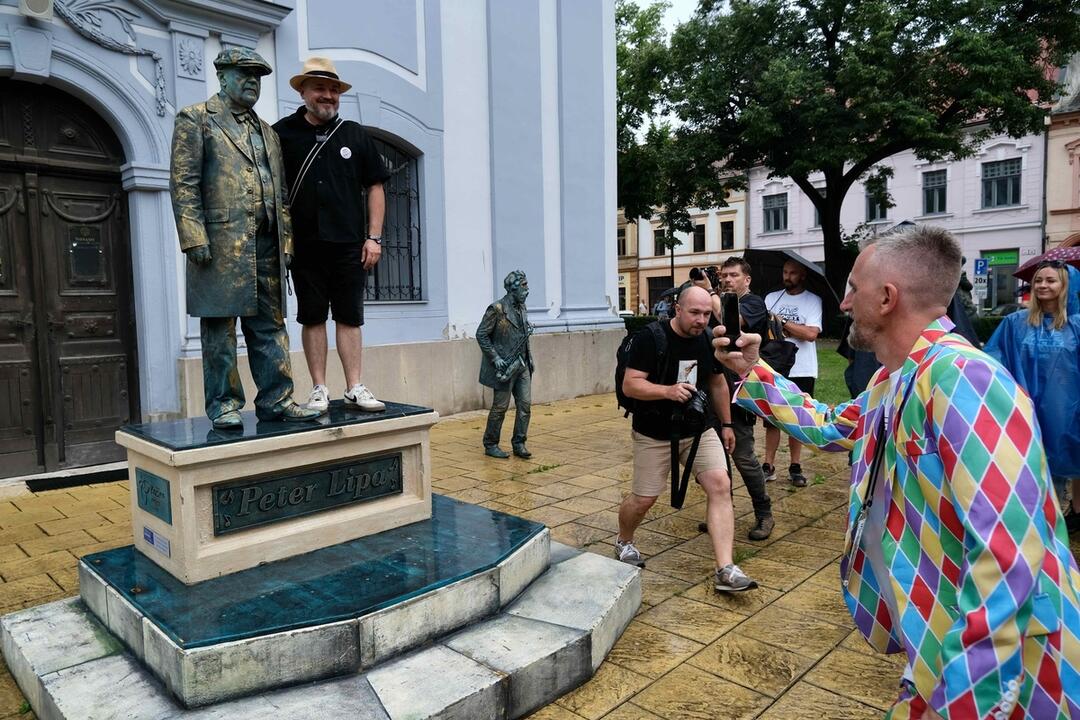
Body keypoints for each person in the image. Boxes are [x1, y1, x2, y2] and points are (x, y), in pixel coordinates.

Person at [714, 226, 1080, 718]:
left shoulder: (965, 377)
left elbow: (1011, 556)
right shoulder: (896, 379)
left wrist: (958, 701)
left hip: (1010, 678)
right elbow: (827, 426)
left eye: (852, 290)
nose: (843, 304)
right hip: (938, 638)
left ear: (886, 298)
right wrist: (751, 369)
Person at [170, 48, 323, 429]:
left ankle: (278, 399)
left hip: (268, 245)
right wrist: (193, 237)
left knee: (271, 326)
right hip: (219, 244)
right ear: (222, 76)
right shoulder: (197, 119)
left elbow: (282, 193)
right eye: (244, 74)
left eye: (257, 76)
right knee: (219, 330)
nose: (252, 81)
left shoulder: (268, 133)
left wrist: (287, 242)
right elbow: (183, 183)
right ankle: (223, 403)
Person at [616, 284, 757, 593]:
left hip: (698, 427)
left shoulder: (708, 339)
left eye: (707, 313)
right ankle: (624, 540)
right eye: (694, 312)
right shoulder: (649, 338)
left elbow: (718, 383)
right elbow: (630, 385)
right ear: (677, 309)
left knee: (720, 484)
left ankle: (726, 568)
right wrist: (666, 391)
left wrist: (727, 425)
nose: (701, 320)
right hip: (654, 431)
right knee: (644, 499)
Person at [273, 57, 391, 413]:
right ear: (303, 91)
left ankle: (354, 386)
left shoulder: (355, 134)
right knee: (311, 316)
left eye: (333, 90)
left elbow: (375, 186)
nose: (328, 96)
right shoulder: (281, 135)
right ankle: (319, 389)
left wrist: (374, 237)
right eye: (320, 88)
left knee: (350, 315)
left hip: (349, 245)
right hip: (305, 246)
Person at [985, 261, 1080, 534]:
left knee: (1056, 470)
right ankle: (1025, 525)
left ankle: (1048, 529)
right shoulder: (1015, 323)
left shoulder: (1076, 327)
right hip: (1023, 409)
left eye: (1050, 280)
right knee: (1022, 467)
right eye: (1038, 280)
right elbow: (994, 359)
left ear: (1066, 286)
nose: (1042, 285)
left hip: (1064, 414)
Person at [715, 257, 774, 540]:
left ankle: (764, 513)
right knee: (715, 460)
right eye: (723, 275)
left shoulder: (752, 303)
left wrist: (713, 296)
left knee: (744, 458)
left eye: (733, 275)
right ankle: (721, 511)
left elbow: (732, 321)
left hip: (740, 392)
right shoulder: (718, 302)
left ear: (746, 279)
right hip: (714, 392)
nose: (727, 280)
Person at [762, 260, 822, 486]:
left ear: (803, 275)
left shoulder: (813, 301)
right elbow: (767, 331)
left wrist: (782, 322)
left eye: (793, 273)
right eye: (785, 272)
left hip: (803, 367)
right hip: (776, 366)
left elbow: (810, 334)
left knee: (796, 417)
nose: (787, 276)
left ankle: (795, 465)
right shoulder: (771, 298)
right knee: (771, 418)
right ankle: (768, 464)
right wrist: (786, 328)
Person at [477, 271, 534, 459]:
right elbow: (481, 334)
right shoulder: (497, 309)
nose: (527, 290)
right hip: (505, 367)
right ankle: (491, 443)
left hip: (523, 364)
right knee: (500, 407)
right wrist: (495, 358)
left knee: (525, 406)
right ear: (513, 288)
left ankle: (519, 443)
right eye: (524, 286)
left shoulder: (522, 307)